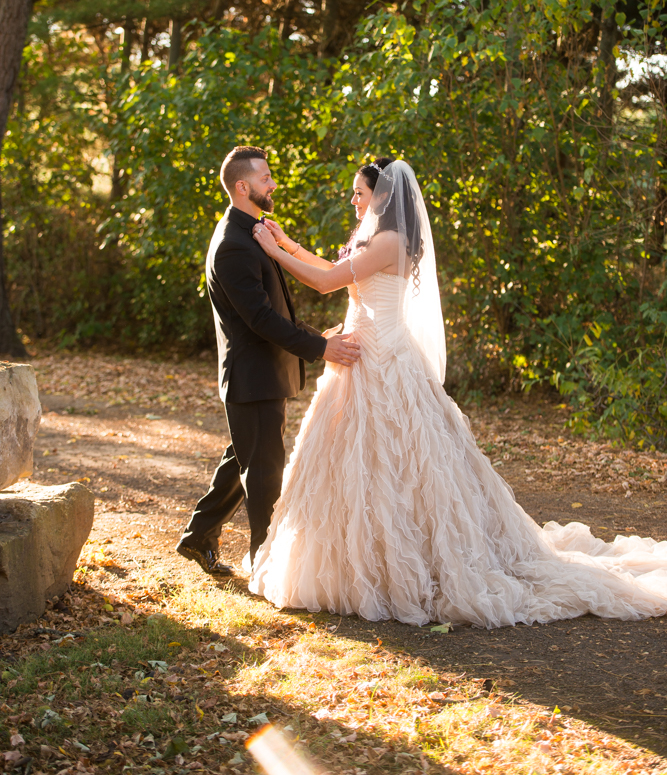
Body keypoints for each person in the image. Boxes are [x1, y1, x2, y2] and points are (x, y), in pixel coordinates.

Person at [248, 157, 667, 627]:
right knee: (357, 462)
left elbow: (326, 282)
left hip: (384, 359)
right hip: (358, 355)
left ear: (383, 196)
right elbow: (334, 268)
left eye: (359, 192)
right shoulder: (370, 236)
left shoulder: (391, 240)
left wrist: (273, 250)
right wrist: (286, 241)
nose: (353, 200)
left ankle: (413, 562)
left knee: (405, 462)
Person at [176, 146, 360, 577]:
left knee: (245, 457)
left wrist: (316, 335)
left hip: (262, 375)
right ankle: (265, 563)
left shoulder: (252, 231)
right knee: (263, 474)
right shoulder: (232, 245)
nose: (272, 184)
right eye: (265, 178)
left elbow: (274, 309)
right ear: (243, 187)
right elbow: (259, 319)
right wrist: (320, 349)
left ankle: (198, 535)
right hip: (252, 376)